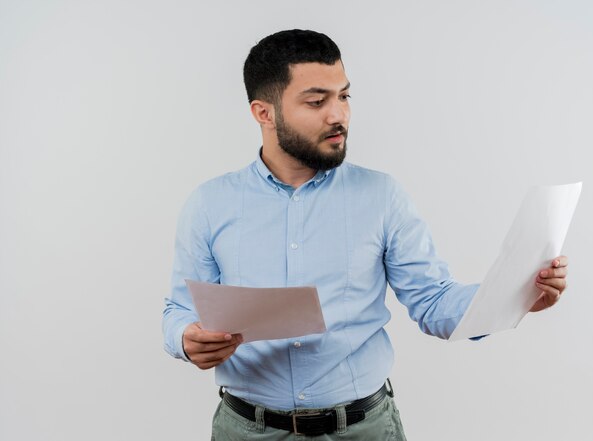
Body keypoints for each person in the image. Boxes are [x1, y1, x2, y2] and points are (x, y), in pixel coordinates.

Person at [162, 29, 568, 440]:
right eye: (317, 101)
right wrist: (186, 337)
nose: (338, 115)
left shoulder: (382, 196)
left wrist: (515, 295)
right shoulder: (209, 204)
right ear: (264, 113)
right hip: (247, 429)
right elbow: (179, 310)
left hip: (362, 430)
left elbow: (433, 302)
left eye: (344, 96)